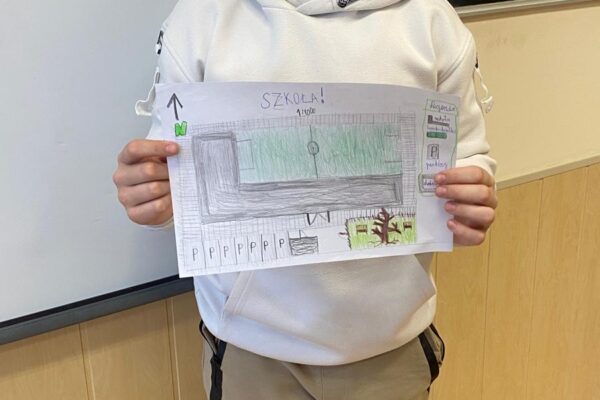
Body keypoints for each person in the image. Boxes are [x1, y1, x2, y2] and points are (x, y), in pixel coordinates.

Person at [113, 1, 497, 398]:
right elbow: (172, 171)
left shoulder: (431, 19)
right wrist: (155, 198)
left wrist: (470, 198)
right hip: (253, 350)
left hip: (391, 346)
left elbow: (466, 153)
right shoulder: (201, 18)